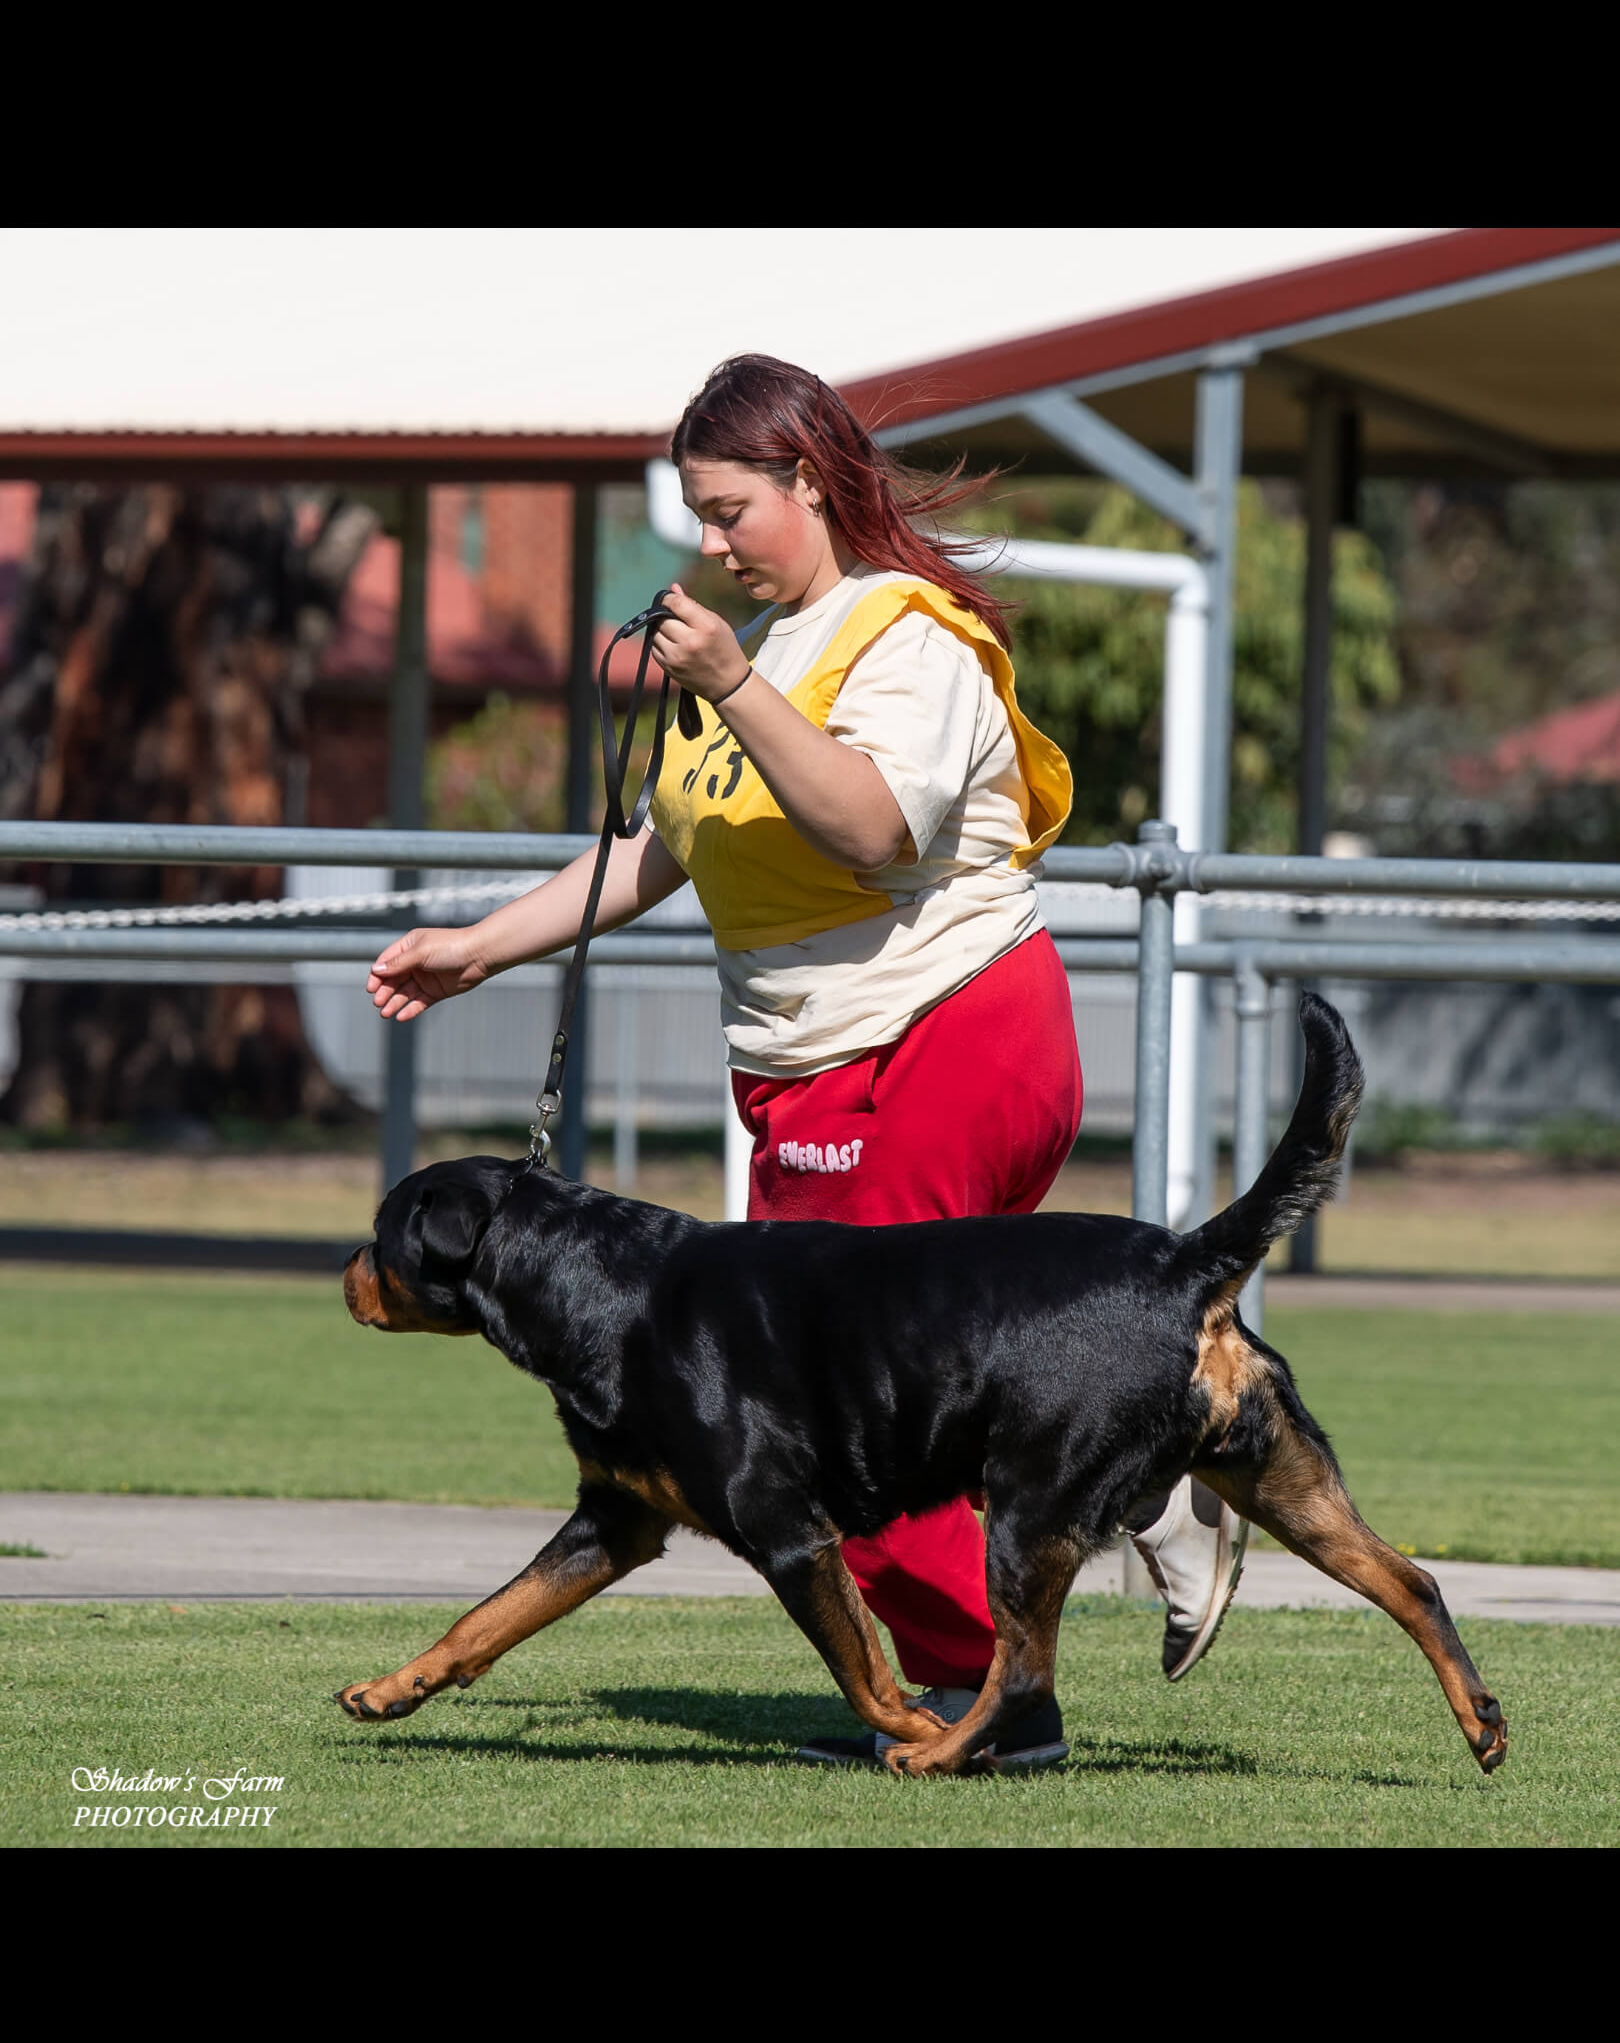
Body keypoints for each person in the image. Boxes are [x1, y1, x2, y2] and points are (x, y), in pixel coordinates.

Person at [364, 353, 1245, 1768]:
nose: (707, 547)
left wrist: (726, 681)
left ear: (809, 480)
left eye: (728, 513)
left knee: (833, 1442)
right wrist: (479, 946)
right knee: (915, 1387)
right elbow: (663, 848)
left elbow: (867, 830)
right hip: (814, 1082)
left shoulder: (909, 640)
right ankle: (1156, 1449)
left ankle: (997, 1710)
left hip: (939, 1042)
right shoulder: (770, 648)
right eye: (694, 521)